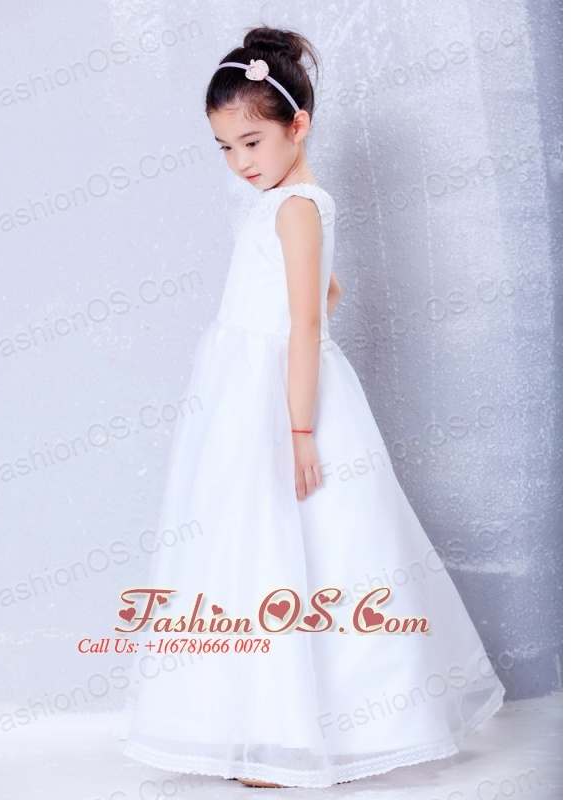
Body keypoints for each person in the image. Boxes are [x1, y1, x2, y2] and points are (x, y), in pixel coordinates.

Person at [123, 25, 506, 789]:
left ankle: (295, 737)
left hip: (286, 397)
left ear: (297, 125)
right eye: (226, 148)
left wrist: (300, 429)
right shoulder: (279, 205)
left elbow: (304, 323)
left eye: (253, 142)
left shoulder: (298, 207)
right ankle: (261, 727)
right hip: (248, 390)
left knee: (305, 546)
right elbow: (323, 292)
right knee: (252, 549)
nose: (241, 162)